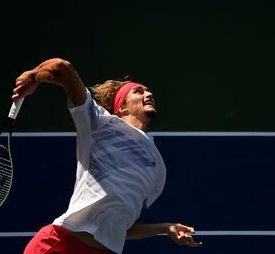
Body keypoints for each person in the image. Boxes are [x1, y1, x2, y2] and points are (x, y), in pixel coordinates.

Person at [12, 58, 202, 254]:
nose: (149, 93)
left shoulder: (157, 168)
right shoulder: (99, 123)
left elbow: (123, 228)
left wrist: (165, 228)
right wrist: (34, 76)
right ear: (122, 107)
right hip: (61, 244)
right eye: (139, 91)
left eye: (148, 91)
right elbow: (62, 68)